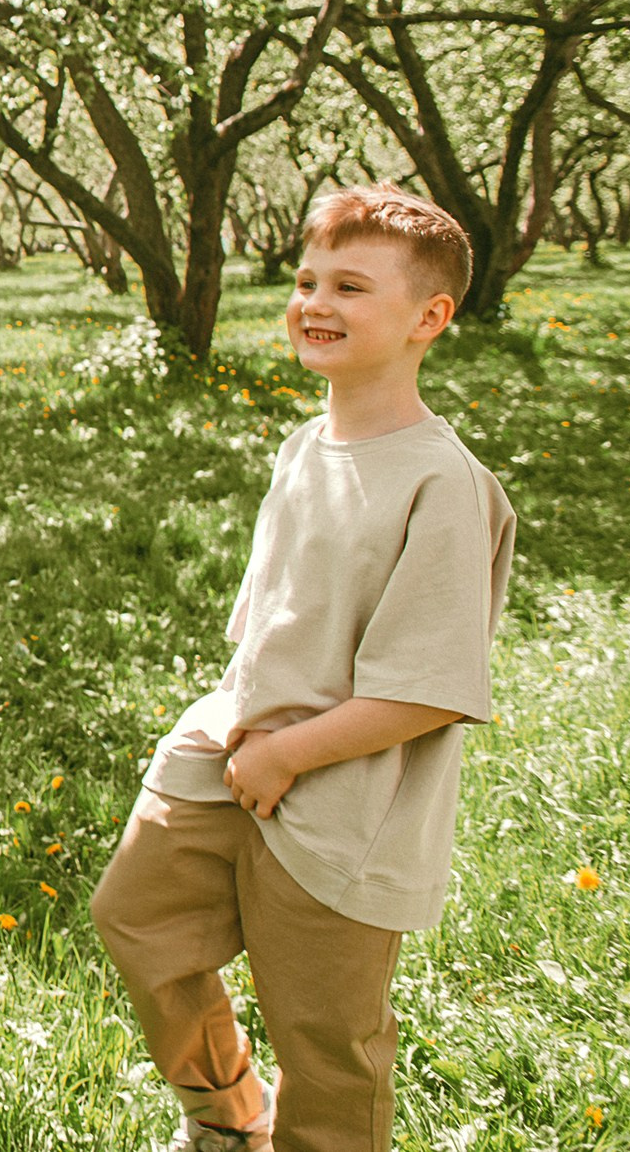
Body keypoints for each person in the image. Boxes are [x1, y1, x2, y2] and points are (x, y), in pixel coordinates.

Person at [90, 184, 516, 1152]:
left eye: (350, 286)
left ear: (428, 318)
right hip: (234, 746)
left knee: (326, 1040)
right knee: (136, 915)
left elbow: (425, 688)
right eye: (306, 279)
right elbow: (276, 619)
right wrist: (242, 732)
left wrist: (288, 757)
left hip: (340, 795)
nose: (314, 302)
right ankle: (231, 1114)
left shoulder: (440, 485)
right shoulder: (303, 445)